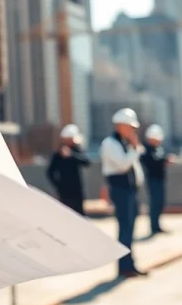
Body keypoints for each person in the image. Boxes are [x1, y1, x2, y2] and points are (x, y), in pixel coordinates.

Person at [100, 109, 147, 278]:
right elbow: (123, 165)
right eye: (130, 127)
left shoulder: (124, 143)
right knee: (125, 229)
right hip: (120, 191)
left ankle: (130, 264)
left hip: (130, 190)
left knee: (130, 229)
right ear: (120, 126)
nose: (132, 131)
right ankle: (124, 267)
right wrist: (135, 149)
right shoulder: (110, 144)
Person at [46, 124, 91, 215]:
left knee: (80, 215)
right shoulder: (58, 154)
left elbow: (86, 162)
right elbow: (50, 172)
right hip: (64, 191)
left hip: (77, 190)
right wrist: (58, 185)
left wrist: (71, 155)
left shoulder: (76, 150)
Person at [140, 124, 175, 235]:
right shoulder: (146, 149)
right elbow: (151, 163)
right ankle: (154, 227)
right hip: (152, 179)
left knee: (160, 203)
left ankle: (157, 226)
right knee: (154, 203)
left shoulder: (158, 148)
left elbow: (159, 159)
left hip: (160, 178)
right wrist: (164, 161)